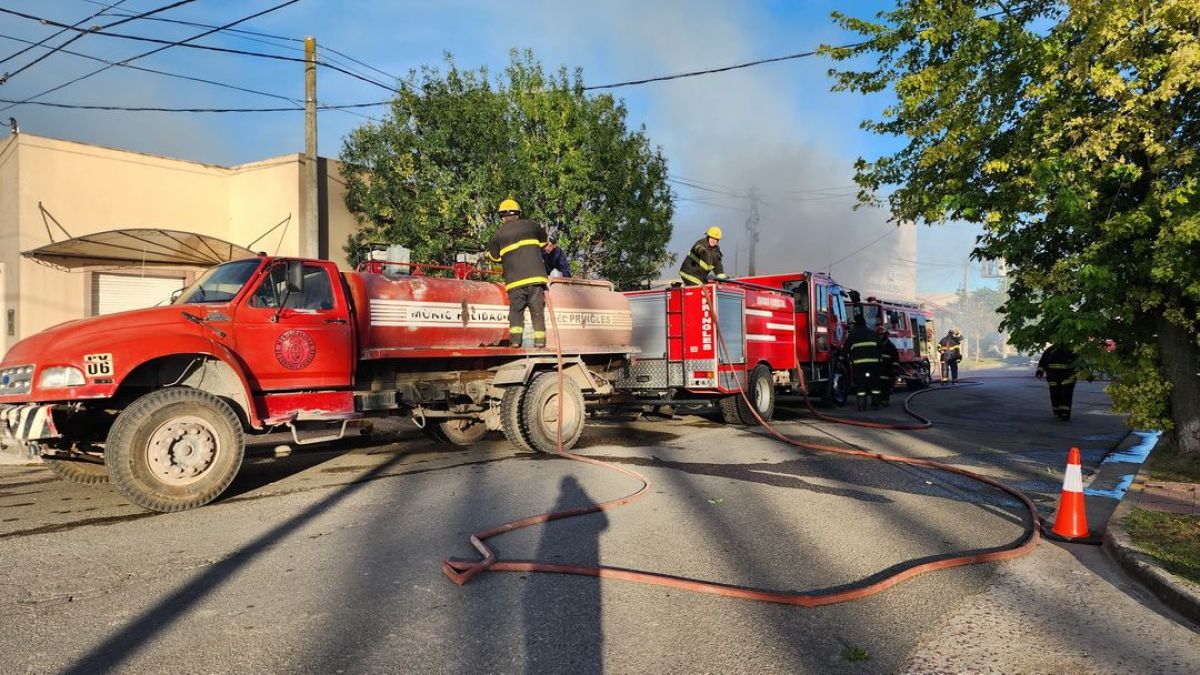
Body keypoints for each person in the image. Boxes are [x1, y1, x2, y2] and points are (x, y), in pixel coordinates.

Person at [487, 198, 549, 348]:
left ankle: (515, 342)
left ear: (502, 217)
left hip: (515, 281)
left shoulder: (497, 235)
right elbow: (544, 242)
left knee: (516, 311)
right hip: (536, 278)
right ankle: (540, 342)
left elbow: (494, 257)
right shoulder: (532, 226)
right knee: (537, 311)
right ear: (518, 214)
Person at [848, 316, 883, 411]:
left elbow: (845, 348)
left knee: (861, 386)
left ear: (856, 325)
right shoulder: (873, 333)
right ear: (865, 324)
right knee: (875, 385)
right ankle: (876, 404)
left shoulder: (853, 335)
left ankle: (861, 406)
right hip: (874, 365)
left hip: (859, 366)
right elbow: (881, 347)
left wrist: (843, 357)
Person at [1036, 343, 1078, 420]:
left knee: (1065, 394)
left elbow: (1079, 363)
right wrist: (1040, 371)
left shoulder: (1072, 350)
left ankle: (1065, 413)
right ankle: (1058, 410)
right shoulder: (1050, 350)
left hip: (1067, 376)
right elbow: (1043, 361)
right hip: (1053, 377)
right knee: (1055, 394)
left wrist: (1088, 374)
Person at [877, 324, 900, 406]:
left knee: (885, 386)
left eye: (882, 334)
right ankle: (878, 401)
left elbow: (895, 360)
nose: (880, 336)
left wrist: (894, 370)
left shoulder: (891, 347)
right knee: (877, 387)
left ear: (886, 335)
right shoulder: (876, 346)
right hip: (878, 370)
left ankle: (885, 401)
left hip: (887, 371)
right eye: (879, 335)